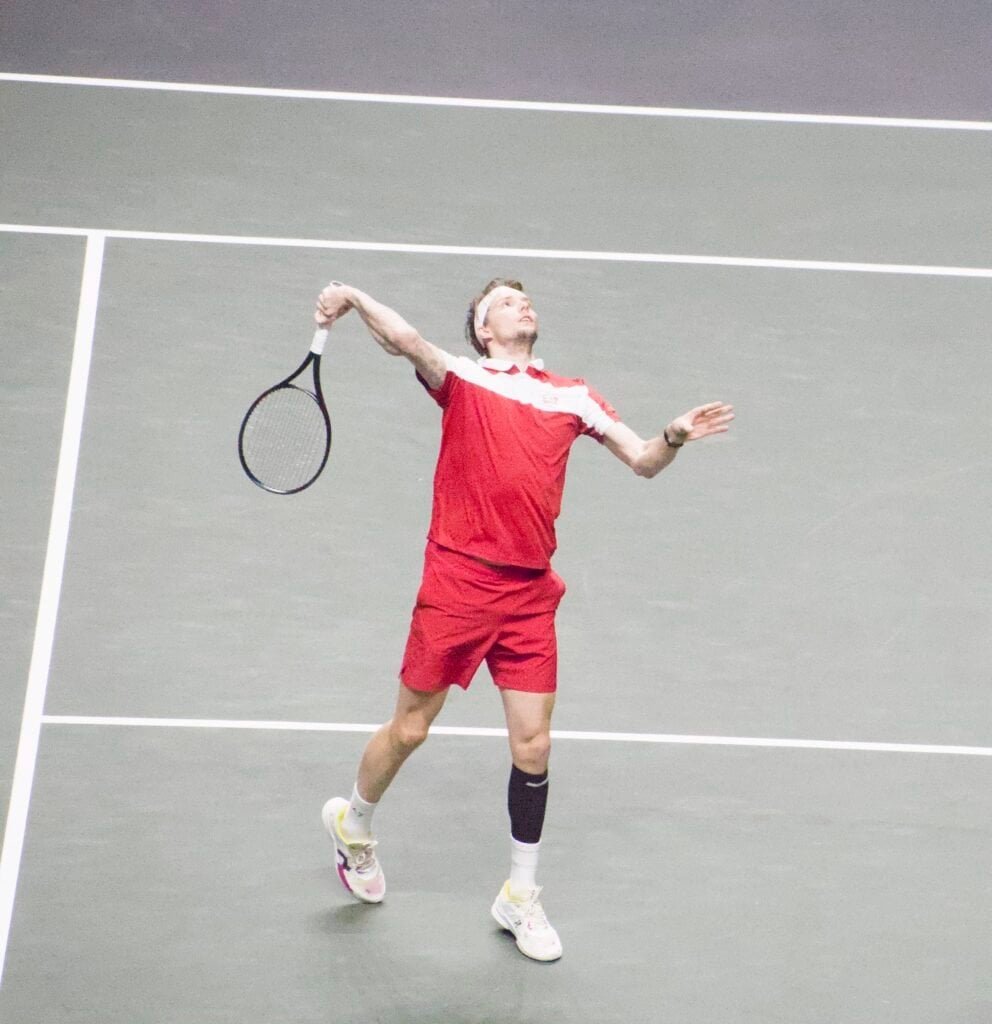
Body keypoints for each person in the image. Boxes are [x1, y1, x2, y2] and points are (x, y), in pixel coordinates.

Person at [314, 277, 733, 962]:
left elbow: (642, 461)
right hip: (456, 581)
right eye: (505, 302)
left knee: (533, 748)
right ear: (483, 331)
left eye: (526, 298)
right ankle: (352, 824)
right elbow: (403, 340)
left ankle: (520, 895)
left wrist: (674, 435)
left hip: (529, 593)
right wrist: (355, 298)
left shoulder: (572, 396)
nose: (523, 305)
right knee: (412, 727)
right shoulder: (463, 377)